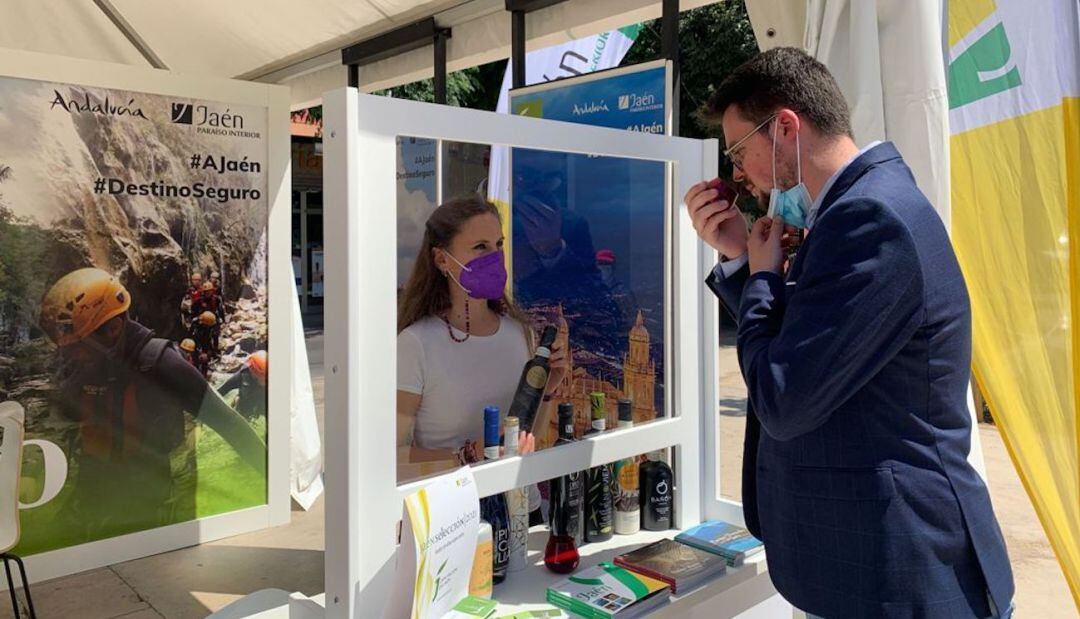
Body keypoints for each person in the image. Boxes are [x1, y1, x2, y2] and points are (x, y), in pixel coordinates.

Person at [684, 48, 1014, 618]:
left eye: (740, 151)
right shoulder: (853, 211)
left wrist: (762, 277)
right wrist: (743, 259)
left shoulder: (869, 221)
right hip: (867, 563)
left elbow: (785, 396)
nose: (739, 174)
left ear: (785, 127)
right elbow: (816, 352)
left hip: (893, 573)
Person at [39, 268, 265, 538]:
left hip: (148, 505)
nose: (72, 355)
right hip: (94, 495)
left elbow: (228, 423)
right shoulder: (94, 365)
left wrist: (273, 482)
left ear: (113, 329)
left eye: (78, 346)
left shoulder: (162, 364)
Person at [397, 196, 569, 469]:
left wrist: (545, 392)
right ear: (442, 259)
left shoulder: (520, 334)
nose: (495, 257)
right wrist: (465, 457)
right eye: (480, 247)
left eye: (498, 245)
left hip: (520, 504)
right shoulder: (415, 344)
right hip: (456, 508)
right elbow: (392, 458)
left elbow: (527, 437)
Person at [218, 350, 267, 420]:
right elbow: (223, 389)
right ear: (253, 371)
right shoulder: (243, 375)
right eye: (263, 377)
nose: (265, 380)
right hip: (245, 402)